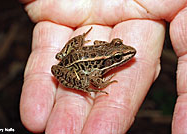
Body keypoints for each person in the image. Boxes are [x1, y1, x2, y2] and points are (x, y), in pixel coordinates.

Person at [19, 0, 187, 133]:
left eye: (119, 49)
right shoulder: (100, 67)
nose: (126, 55)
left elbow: (101, 44)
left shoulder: (106, 47)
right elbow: (93, 77)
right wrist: (101, 84)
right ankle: (82, 86)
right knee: (86, 83)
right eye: (118, 57)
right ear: (109, 60)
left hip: (72, 55)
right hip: (72, 67)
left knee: (76, 49)